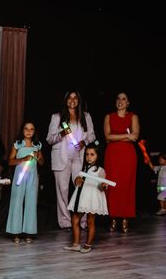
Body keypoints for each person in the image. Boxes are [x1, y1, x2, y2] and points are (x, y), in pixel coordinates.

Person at [46, 91, 95, 229]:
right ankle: (66, 222)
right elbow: (49, 139)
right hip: (61, 159)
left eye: (75, 98)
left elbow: (92, 135)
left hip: (79, 158)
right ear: (65, 100)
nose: (72, 100)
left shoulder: (85, 116)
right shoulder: (57, 117)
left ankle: (83, 221)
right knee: (62, 191)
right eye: (70, 97)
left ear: (79, 101)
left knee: (82, 188)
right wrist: (61, 134)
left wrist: (84, 142)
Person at [103, 92, 139, 233]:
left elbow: (135, 136)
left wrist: (115, 137)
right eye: (118, 98)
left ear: (128, 102)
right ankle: (112, 218)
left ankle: (125, 219)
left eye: (123, 99)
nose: (120, 101)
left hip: (128, 156)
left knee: (126, 186)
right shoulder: (109, 116)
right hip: (112, 155)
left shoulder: (133, 117)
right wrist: (126, 135)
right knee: (112, 186)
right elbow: (107, 136)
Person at [63, 142, 108, 253]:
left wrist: (103, 185)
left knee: (90, 221)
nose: (89, 157)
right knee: (75, 219)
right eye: (87, 154)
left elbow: (102, 185)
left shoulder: (100, 170)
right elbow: (78, 179)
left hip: (92, 198)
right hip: (81, 198)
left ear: (98, 156)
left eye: (92, 154)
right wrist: (77, 180)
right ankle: (76, 243)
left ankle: (88, 244)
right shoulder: (84, 168)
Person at [6, 121, 44, 244]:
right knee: (17, 202)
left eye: (31, 129)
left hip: (32, 177)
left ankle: (29, 232)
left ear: (34, 131)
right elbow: (10, 162)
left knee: (31, 202)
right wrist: (23, 159)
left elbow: (42, 163)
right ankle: (15, 232)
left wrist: (39, 157)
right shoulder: (18, 144)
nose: (28, 131)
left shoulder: (37, 145)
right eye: (26, 129)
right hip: (19, 176)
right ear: (22, 130)